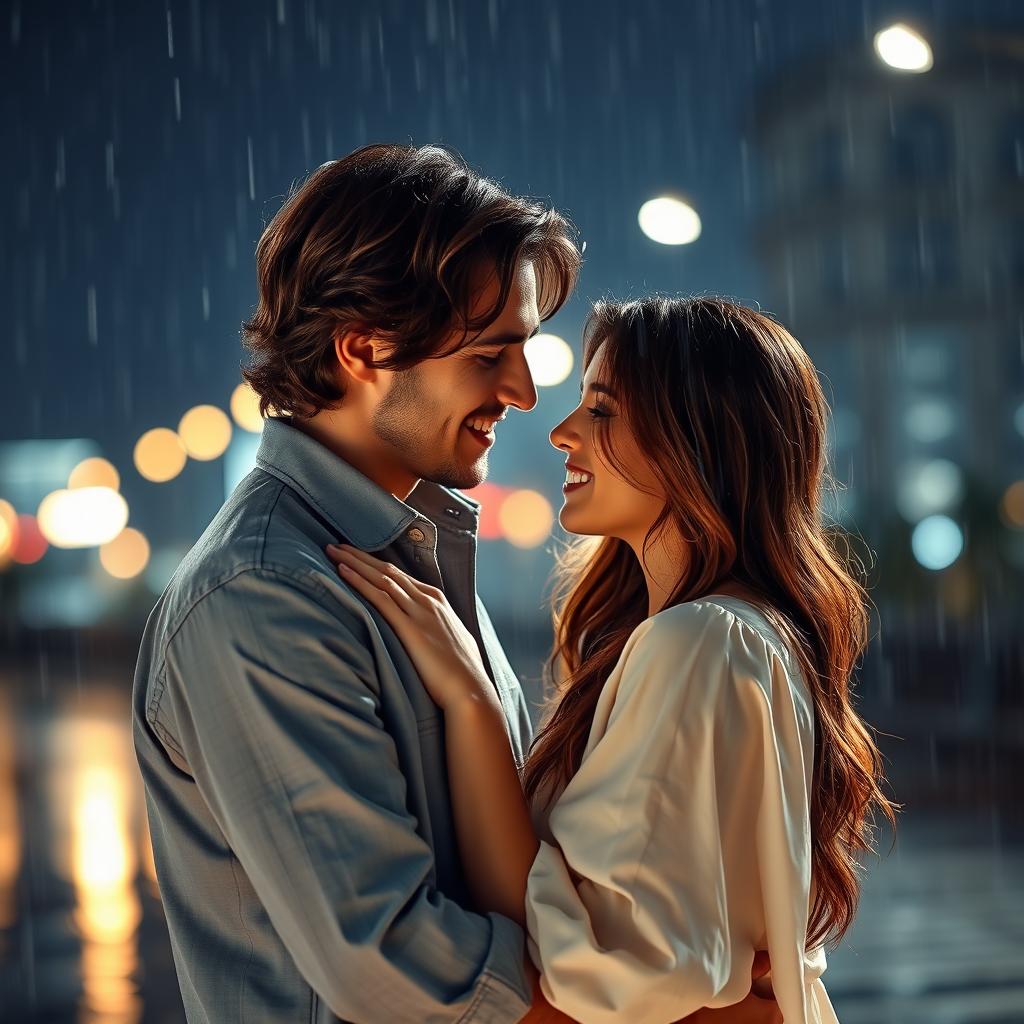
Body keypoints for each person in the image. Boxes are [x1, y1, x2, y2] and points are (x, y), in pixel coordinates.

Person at [132, 145, 778, 1022]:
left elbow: (528, 865)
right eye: (489, 355)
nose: (521, 392)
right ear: (363, 349)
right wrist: (684, 1010)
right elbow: (398, 971)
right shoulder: (260, 598)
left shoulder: (419, 554)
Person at [326, 296, 899, 1023]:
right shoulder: (734, 636)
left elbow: (584, 972)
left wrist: (469, 704)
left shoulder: (702, 643)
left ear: (698, 441)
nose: (564, 434)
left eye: (601, 410)